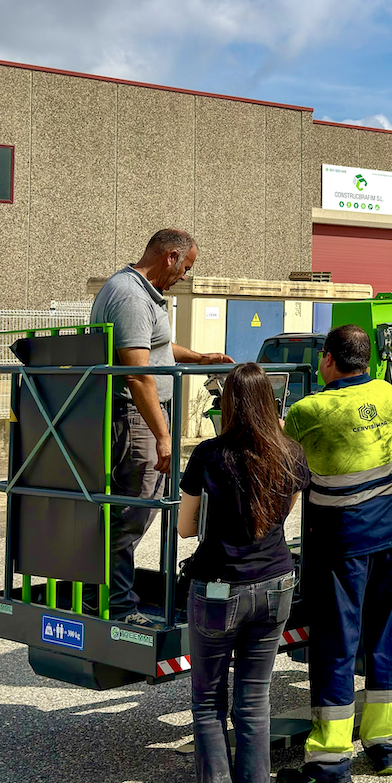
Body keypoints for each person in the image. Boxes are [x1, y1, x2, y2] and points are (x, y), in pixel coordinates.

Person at [178, 363, 309, 783]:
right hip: (275, 584)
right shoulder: (291, 453)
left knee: (209, 705)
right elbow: (283, 512)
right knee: (254, 705)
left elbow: (186, 529)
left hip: (218, 591)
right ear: (271, 401)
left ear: (229, 402)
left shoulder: (210, 455)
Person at [276, 324, 392, 783]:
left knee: (336, 645)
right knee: (387, 636)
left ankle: (330, 765)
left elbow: (279, 465)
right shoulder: (390, 395)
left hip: (343, 546)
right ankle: (384, 747)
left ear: (329, 360)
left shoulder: (309, 410)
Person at [89, 228, 232, 625]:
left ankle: (104, 592)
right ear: (170, 256)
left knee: (138, 509)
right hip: (136, 421)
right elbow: (137, 374)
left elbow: (157, 348)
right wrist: (163, 435)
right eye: (186, 267)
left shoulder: (142, 293)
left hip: (144, 419)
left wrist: (200, 358)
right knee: (132, 511)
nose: (185, 276)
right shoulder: (131, 296)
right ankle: (115, 605)